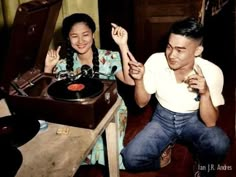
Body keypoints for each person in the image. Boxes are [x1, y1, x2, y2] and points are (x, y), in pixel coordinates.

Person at [122, 17, 230, 177]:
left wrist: (205, 93)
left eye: (180, 50)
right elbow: (141, 103)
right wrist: (138, 80)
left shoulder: (212, 72)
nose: (171, 55)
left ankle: (203, 166)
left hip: (195, 120)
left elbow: (210, 122)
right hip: (162, 119)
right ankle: (163, 157)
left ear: (198, 51)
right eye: (169, 47)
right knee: (130, 159)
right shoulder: (156, 60)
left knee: (219, 143)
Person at [44, 13, 136, 169]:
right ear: (68, 38)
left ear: (93, 35)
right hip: (77, 112)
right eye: (74, 36)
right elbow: (48, 98)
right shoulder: (62, 64)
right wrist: (48, 68)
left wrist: (122, 45)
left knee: (109, 149)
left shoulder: (108, 57)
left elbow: (130, 80)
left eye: (85, 35)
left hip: (110, 109)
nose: (80, 41)